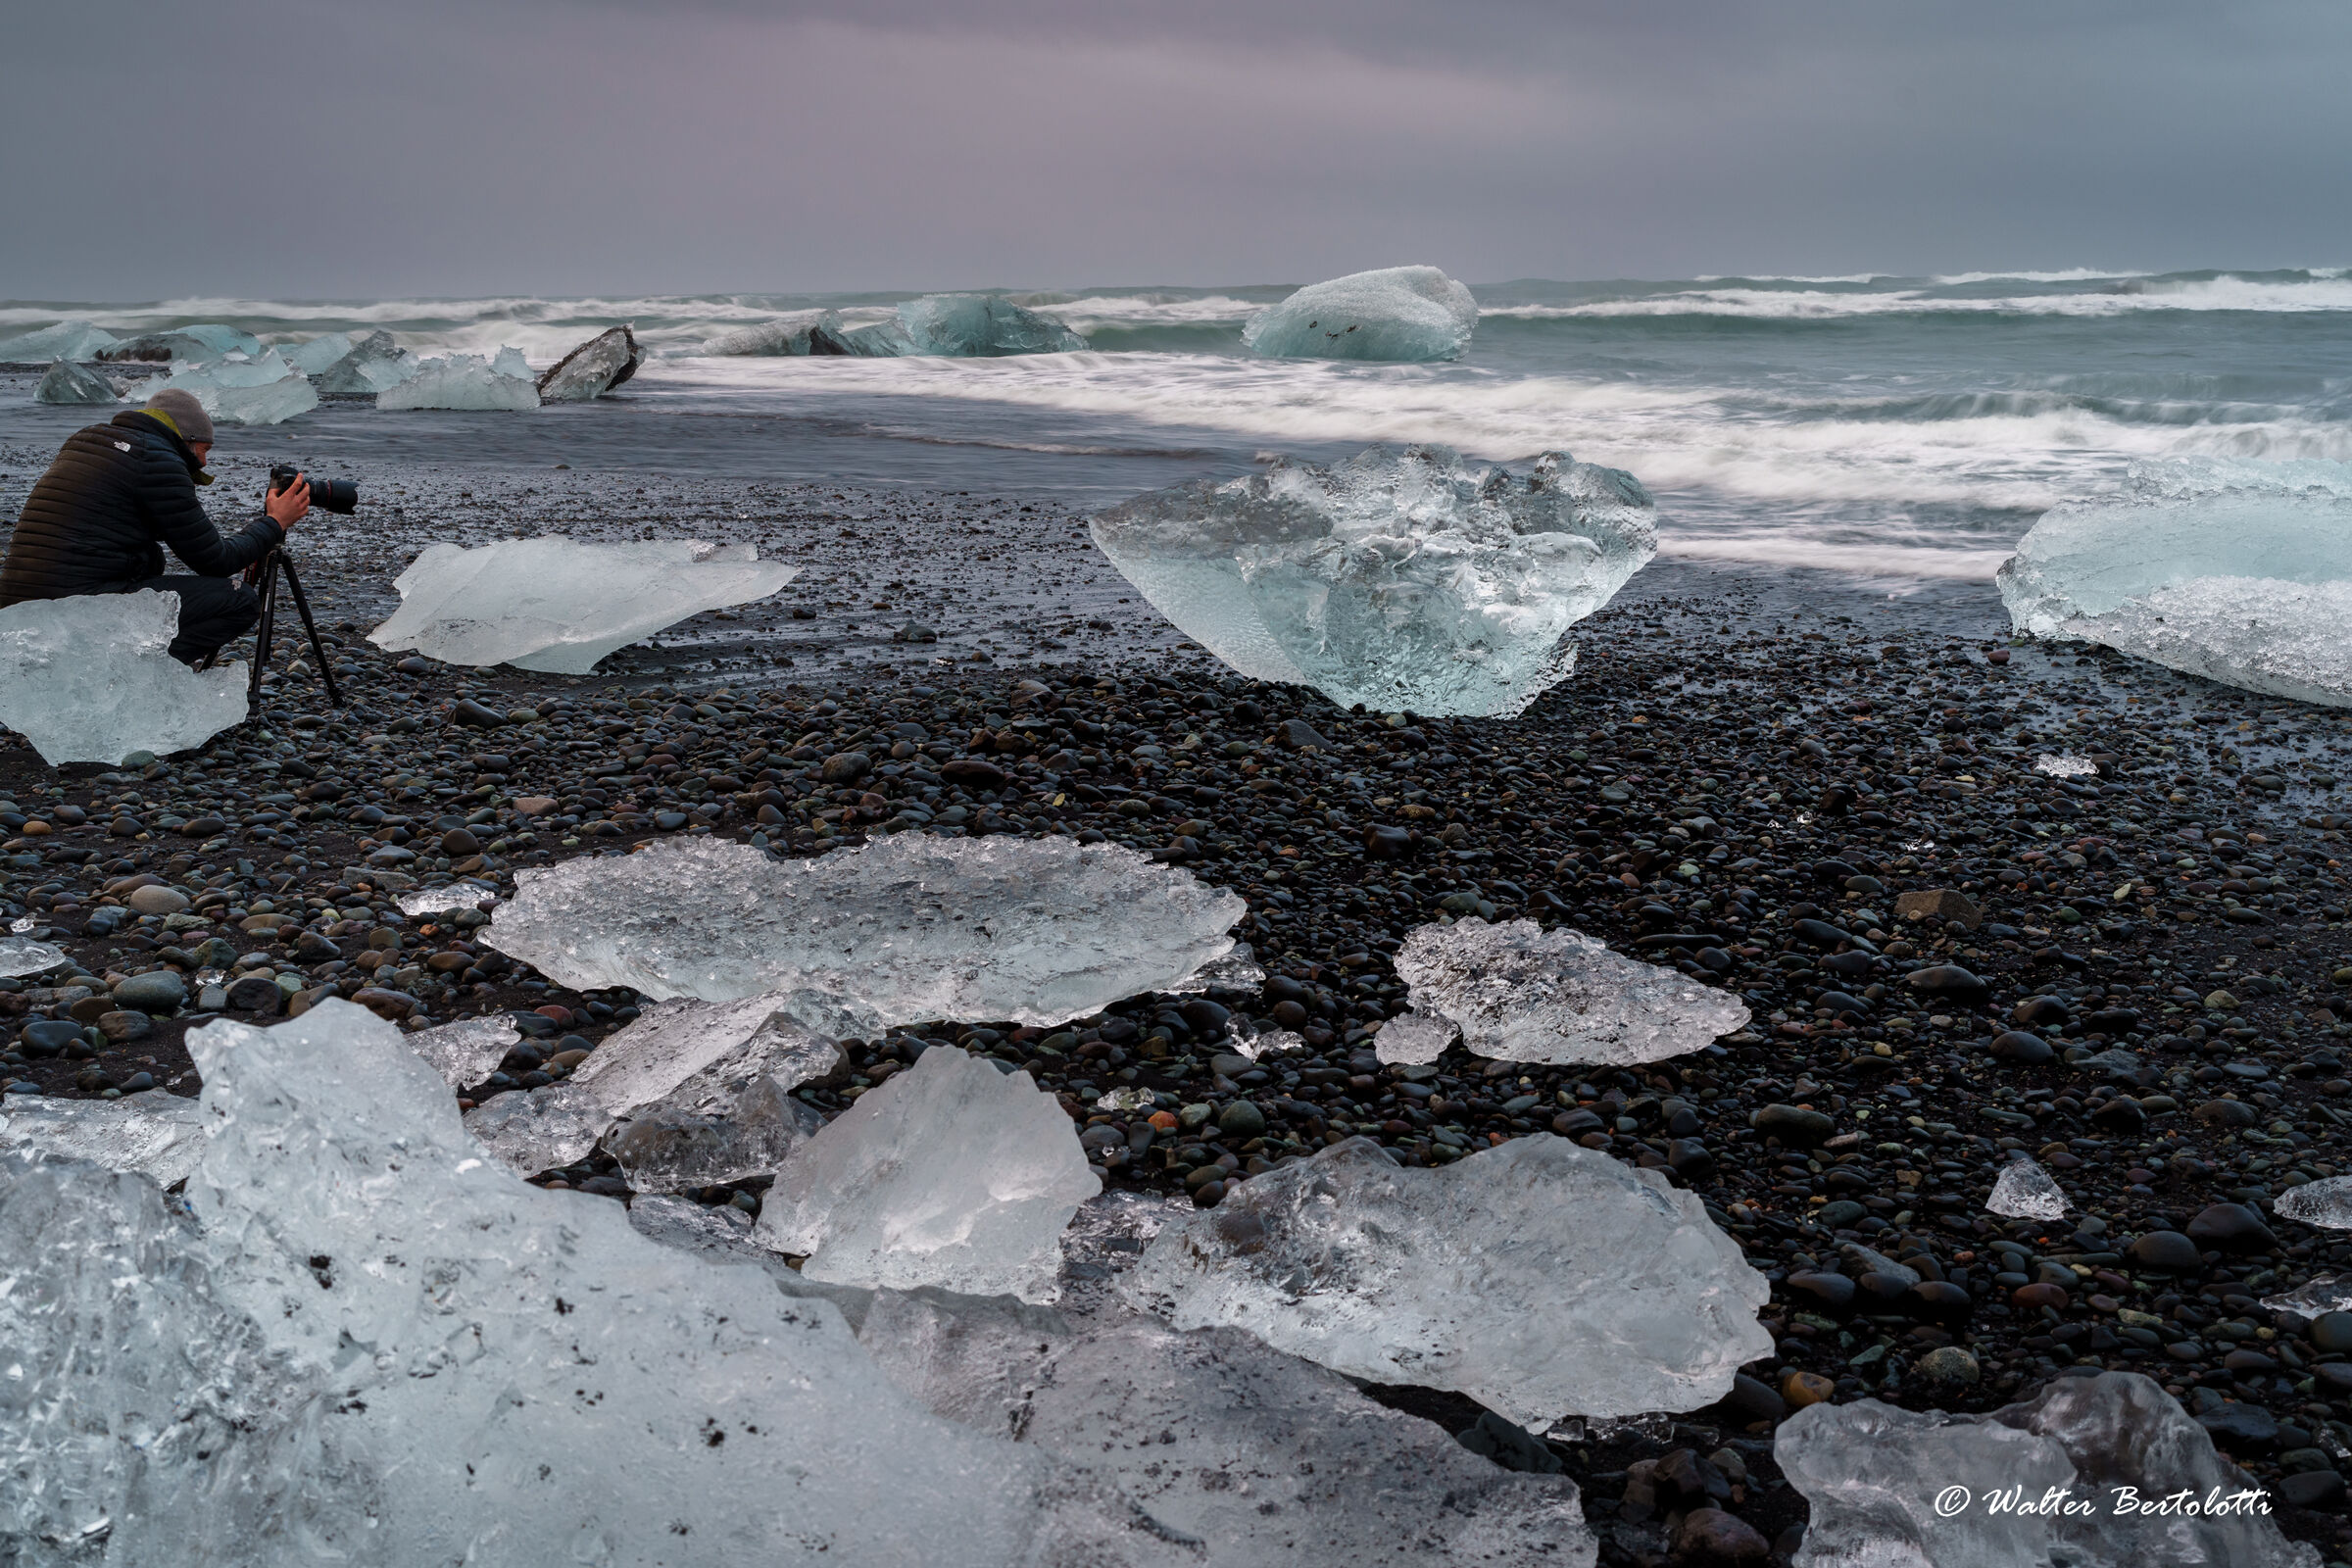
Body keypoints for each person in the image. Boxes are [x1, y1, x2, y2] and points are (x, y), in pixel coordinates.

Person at [0, 387, 312, 664]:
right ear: (186, 440)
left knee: (152, 561)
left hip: (16, 603)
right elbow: (217, 561)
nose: (204, 463)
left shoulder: (89, 440)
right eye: (205, 450)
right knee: (240, 601)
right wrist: (275, 522)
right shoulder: (157, 460)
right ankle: (139, 675)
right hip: (74, 605)